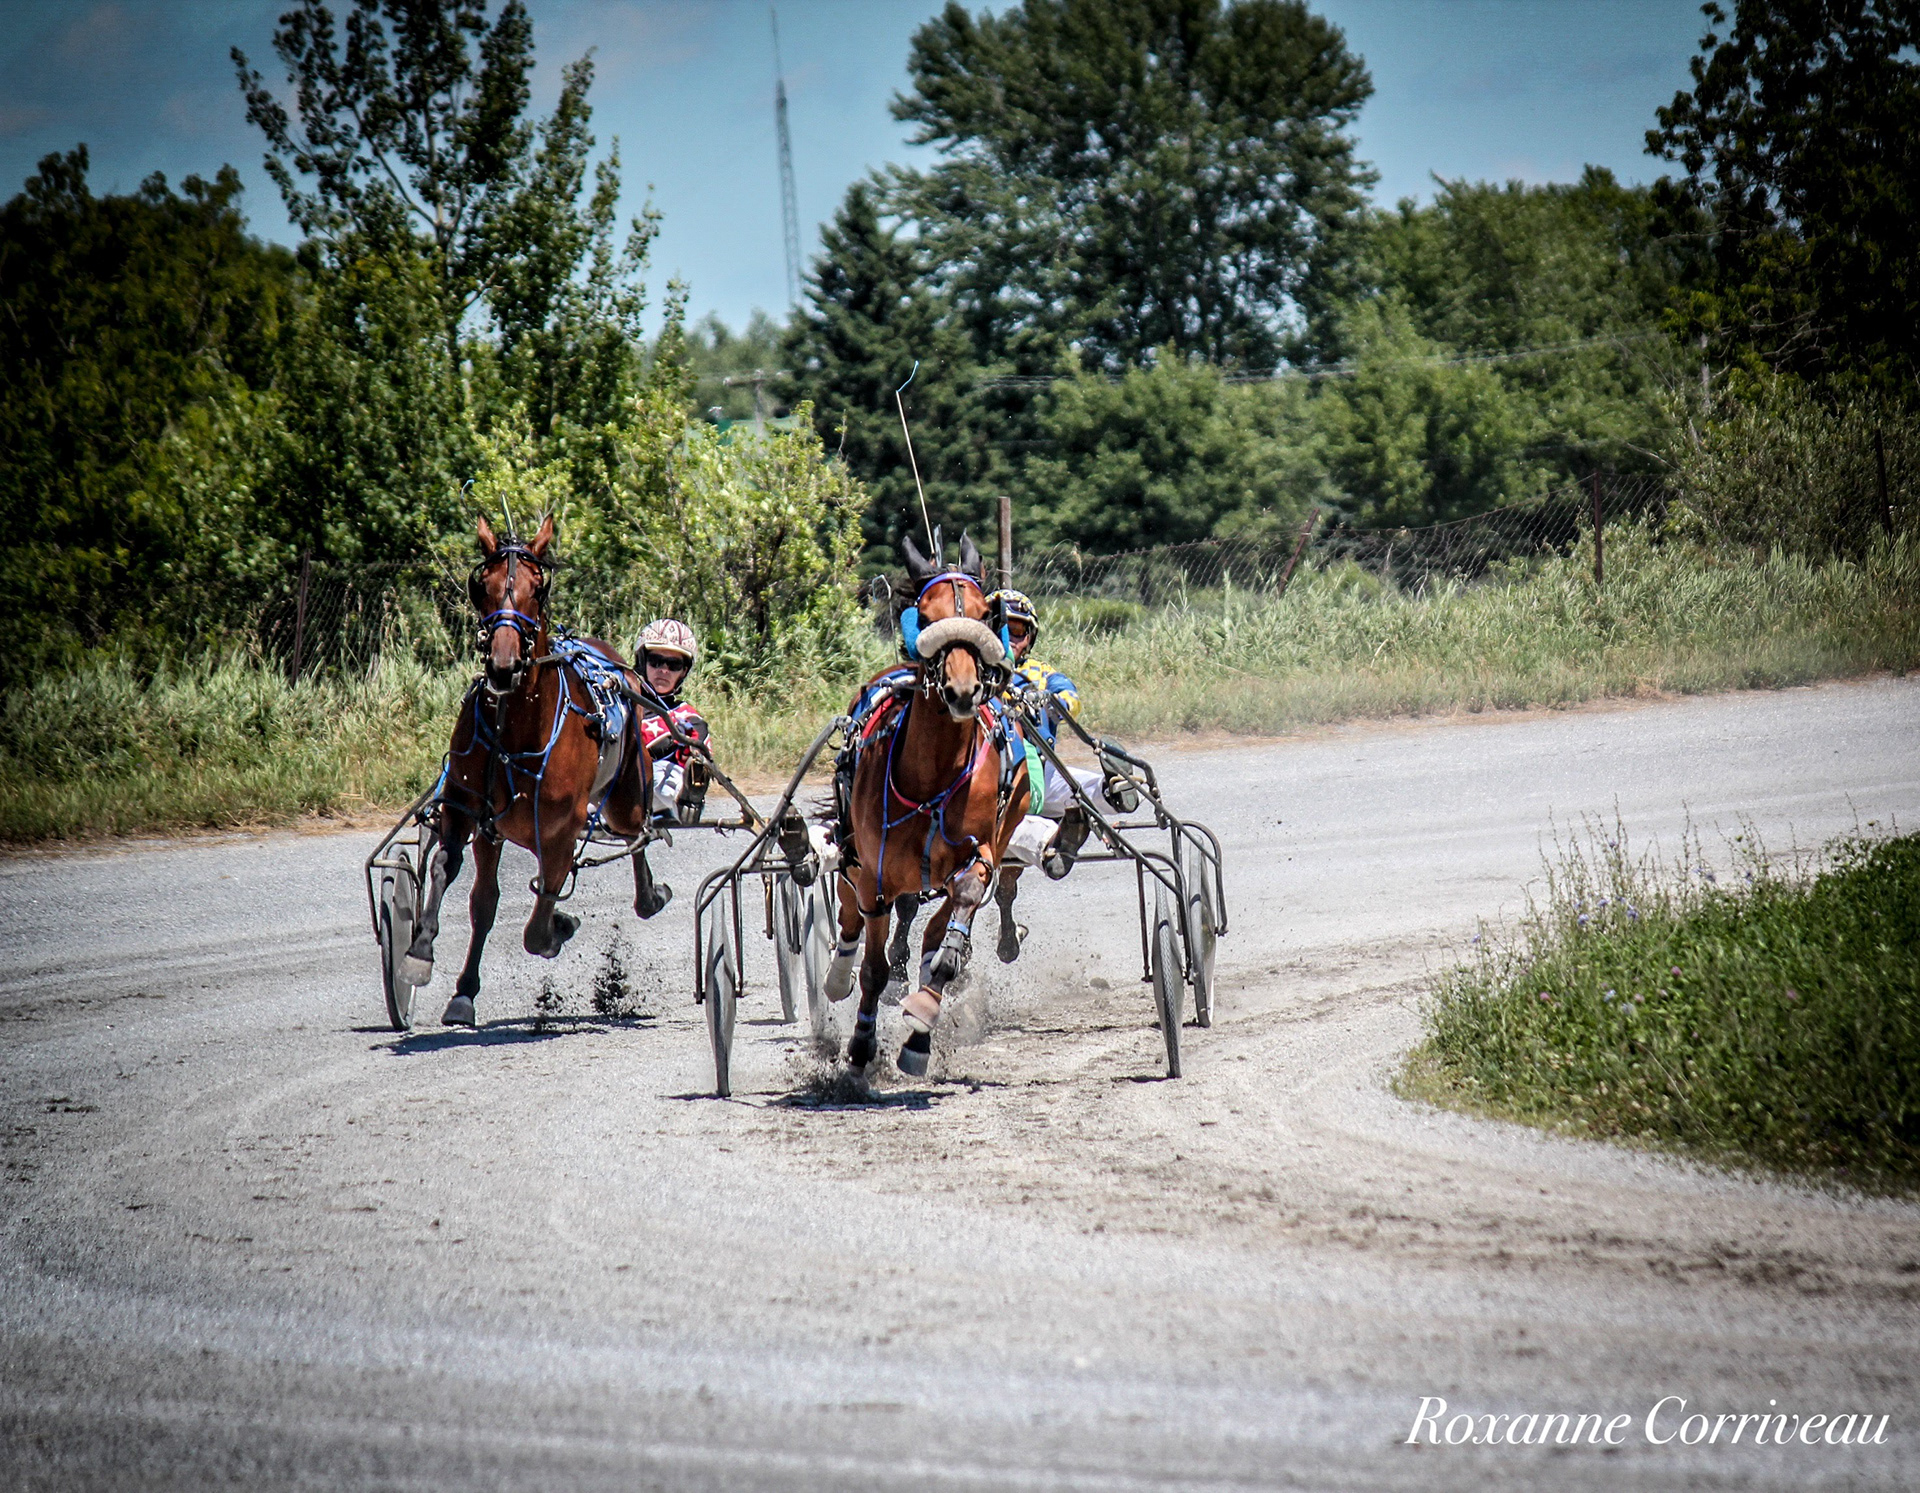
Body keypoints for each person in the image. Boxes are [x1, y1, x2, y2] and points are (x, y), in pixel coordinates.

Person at [990, 590, 1103, 960]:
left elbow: (1070, 694)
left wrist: (1055, 701)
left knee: (1087, 787)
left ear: (1030, 638)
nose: (1008, 640)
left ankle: (1113, 789)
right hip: (989, 770)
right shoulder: (973, 672)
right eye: (999, 630)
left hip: (1040, 765)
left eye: (1017, 632)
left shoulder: (1039, 672)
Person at [629, 618, 711, 917]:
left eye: (673, 665)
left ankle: (691, 790)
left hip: (663, 787)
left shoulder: (687, 715)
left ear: (683, 672)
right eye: (656, 661)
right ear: (643, 661)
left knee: (681, 762)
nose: (663, 670)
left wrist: (677, 747)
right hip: (622, 786)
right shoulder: (622, 707)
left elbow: (698, 741)